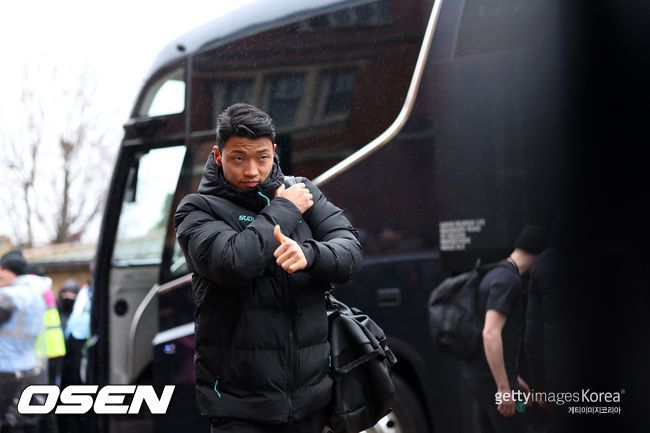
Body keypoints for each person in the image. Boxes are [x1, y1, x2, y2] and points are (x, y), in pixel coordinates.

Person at [174, 103, 363, 433]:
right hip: (239, 407)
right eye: (238, 158)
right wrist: (285, 208)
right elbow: (232, 262)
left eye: (262, 157)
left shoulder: (302, 191)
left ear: (274, 152)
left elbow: (351, 252)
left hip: (311, 402)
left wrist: (310, 254)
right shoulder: (197, 210)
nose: (252, 171)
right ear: (218, 156)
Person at [464, 225, 548, 433]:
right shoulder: (509, 281)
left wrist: (513, 378)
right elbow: (490, 333)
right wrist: (504, 388)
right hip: (495, 385)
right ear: (539, 255)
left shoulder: (493, 274)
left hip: (480, 379)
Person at [0, 250, 47, 433]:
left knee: (9, 425)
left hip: (6, 371)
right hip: (30, 368)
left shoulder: (10, 295)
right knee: (26, 423)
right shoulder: (35, 293)